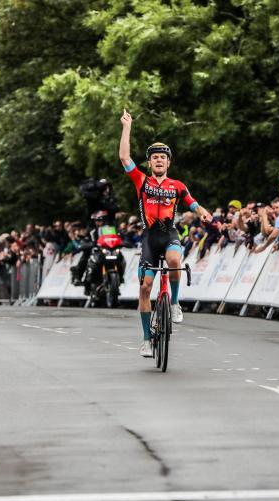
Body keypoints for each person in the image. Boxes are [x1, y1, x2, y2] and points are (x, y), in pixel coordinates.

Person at [119, 109, 212, 357]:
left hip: (169, 233)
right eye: (155, 157)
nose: (159, 160)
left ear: (168, 163)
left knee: (174, 261)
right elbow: (124, 157)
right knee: (145, 288)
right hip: (150, 236)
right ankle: (147, 339)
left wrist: (203, 212)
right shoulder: (141, 181)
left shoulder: (177, 185)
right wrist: (127, 127)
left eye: (163, 157)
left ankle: (174, 303)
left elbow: (193, 203)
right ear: (149, 163)